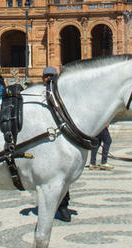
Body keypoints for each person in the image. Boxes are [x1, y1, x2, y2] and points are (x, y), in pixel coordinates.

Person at [42, 66, 72, 222]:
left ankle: (63, 205)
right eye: (46, 76)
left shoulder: (63, 93)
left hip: (61, 140)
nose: (48, 79)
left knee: (62, 175)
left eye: (51, 76)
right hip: (43, 141)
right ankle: (50, 204)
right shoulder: (38, 93)